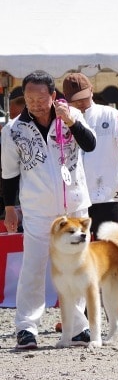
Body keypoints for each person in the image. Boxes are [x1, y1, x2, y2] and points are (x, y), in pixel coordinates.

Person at [1, 70, 96, 349]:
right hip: (37, 209)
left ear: (54, 96)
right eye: (29, 98)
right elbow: (8, 174)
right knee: (33, 267)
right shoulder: (13, 130)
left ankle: (77, 327)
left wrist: (70, 121)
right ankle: (27, 327)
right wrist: (9, 208)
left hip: (75, 205)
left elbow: (90, 145)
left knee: (76, 266)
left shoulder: (71, 117)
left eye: (41, 98)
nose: (35, 103)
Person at [62, 73, 118, 236]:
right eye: (74, 99)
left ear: (91, 91)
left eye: (83, 97)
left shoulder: (110, 114)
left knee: (107, 251)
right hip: (75, 199)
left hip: (107, 197)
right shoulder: (61, 119)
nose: (79, 103)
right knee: (78, 252)